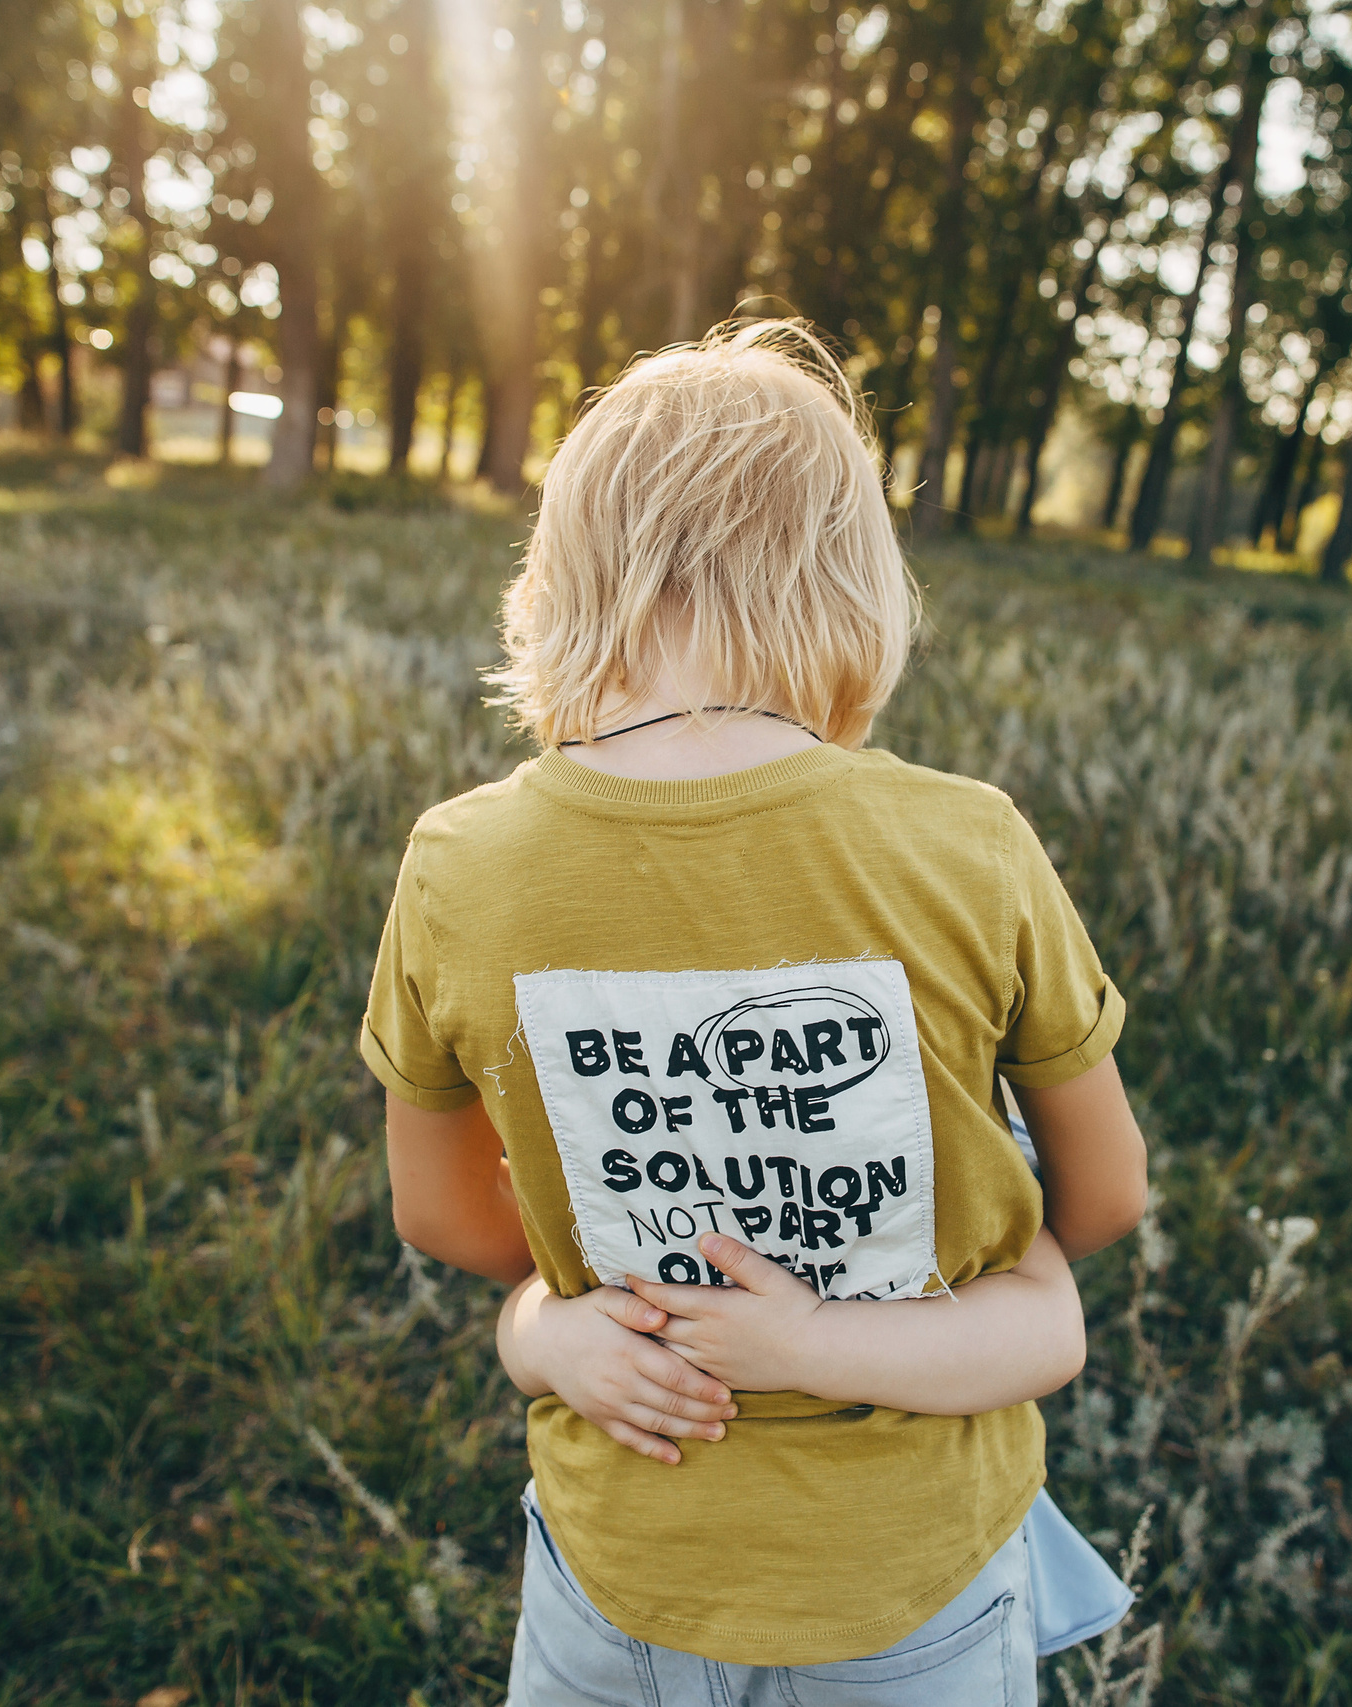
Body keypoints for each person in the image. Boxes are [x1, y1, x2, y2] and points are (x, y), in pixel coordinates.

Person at [363, 317, 1151, 1704]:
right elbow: (1104, 1199)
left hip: (621, 1571)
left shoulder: (461, 866)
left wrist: (557, 1321)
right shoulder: (971, 847)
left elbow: (444, 1220)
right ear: (860, 587)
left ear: (556, 587)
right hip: (910, 1586)